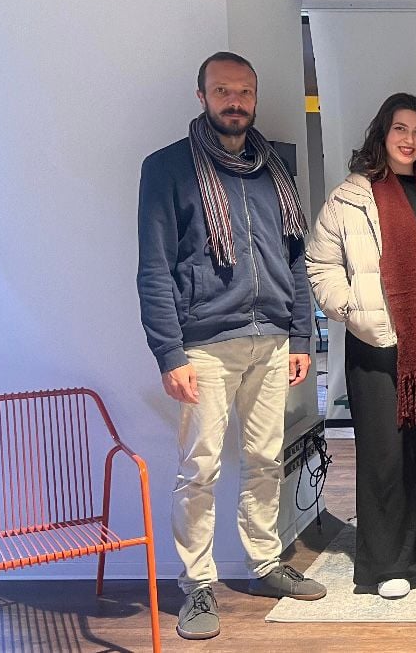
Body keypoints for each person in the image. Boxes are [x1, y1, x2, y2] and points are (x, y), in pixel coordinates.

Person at [136, 51, 326, 641]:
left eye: (244, 91)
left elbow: (295, 258)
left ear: (255, 96)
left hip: (271, 339)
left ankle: (265, 563)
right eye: (223, 91)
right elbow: (154, 268)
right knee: (200, 468)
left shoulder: (275, 168)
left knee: (266, 458)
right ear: (202, 96)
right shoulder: (168, 168)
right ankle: (197, 584)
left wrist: (301, 335)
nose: (235, 101)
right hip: (204, 344)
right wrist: (169, 353)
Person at [305, 93, 416, 600]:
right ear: (382, 132)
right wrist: (351, 310)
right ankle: (388, 564)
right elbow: (320, 263)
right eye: (400, 128)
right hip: (378, 346)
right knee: (387, 457)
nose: (409, 140)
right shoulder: (350, 197)